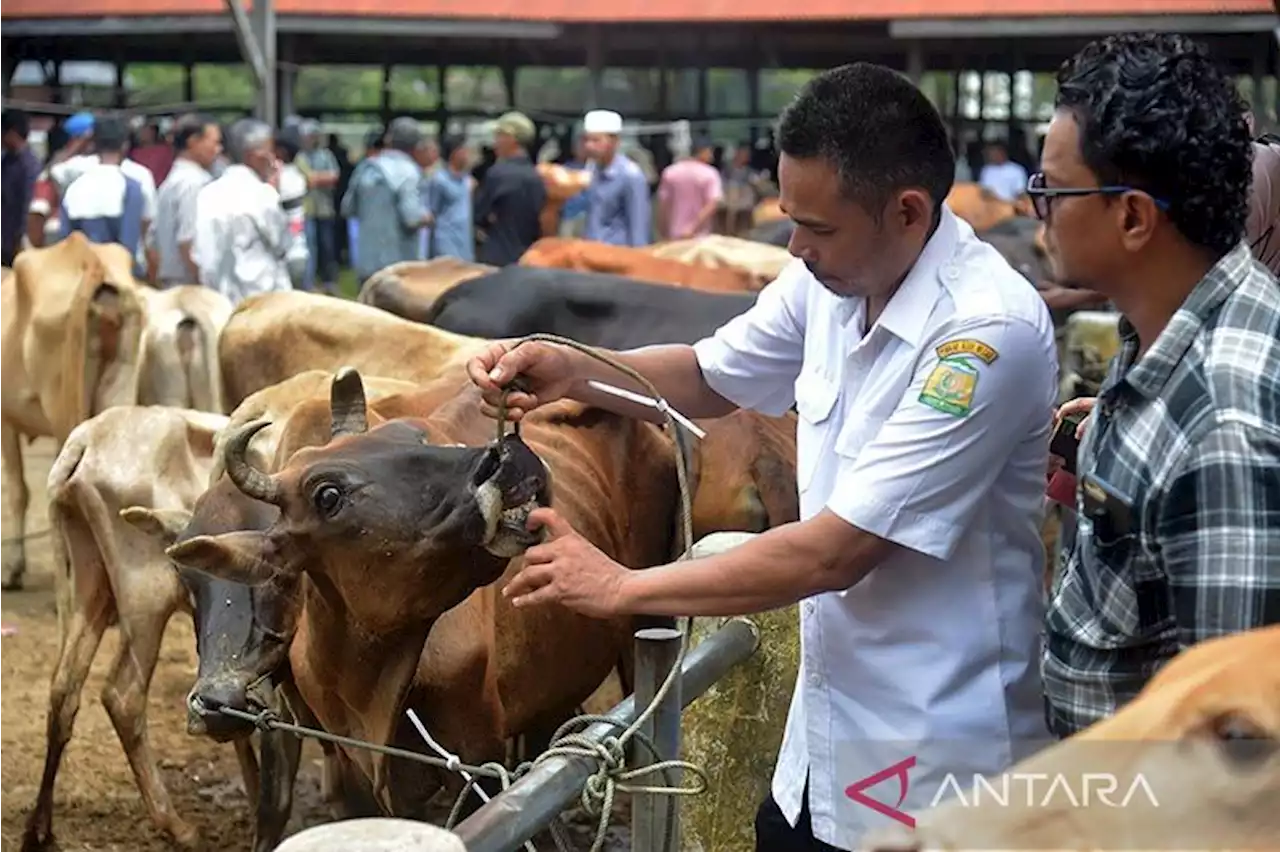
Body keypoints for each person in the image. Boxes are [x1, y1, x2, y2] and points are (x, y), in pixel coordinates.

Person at [467, 63, 1057, 851]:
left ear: (908, 212)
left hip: (935, 761)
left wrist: (624, 586)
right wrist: (577, 370)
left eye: (817, 227)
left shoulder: (985, 336)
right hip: (820, 744)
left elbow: (837, 551)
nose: (795, 246)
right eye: (791, 218)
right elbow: (712, 375)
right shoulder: (830, 280)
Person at [1033, 33, 1280, 739]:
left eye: (1052, 188)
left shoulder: (1225, 432)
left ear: (1134, 217)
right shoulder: (1167, 328)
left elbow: (1232, 760)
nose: (1039, 210)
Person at [193, 118, 292, 306]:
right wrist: (274, 190)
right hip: (262, 301)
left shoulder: (207, 193)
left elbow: (200, 253)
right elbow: (283, 244)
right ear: (254, 156)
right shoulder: (262, 194)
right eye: (270, 152)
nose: (274, 160)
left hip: (218, 302)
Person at [341, 116, 433, 284]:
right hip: (399, 269)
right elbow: (411, 218)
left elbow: (348, 208)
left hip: (367, 264)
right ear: (415, 147)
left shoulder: (366, 167)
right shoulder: (410, 172)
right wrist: (427, 217)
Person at [58, 116, 148, 263]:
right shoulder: (131, 187)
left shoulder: (74, 187)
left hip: (80, 275)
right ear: (125, 146)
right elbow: (128, 247)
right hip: (117, 276)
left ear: (93, 144)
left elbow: (65, 242)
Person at [148, 114, 221, 286]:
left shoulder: (170, 181)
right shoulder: (194, 183)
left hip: (169, 286)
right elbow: (188, 241)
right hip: (190, 286)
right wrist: (206, 283)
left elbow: (151, 243)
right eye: (214, 142)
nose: (218, 150)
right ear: (193, 142)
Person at [473, 111, 545, 265]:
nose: (495, 142)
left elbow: (479, 215)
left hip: (498, 258)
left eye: (499, 136)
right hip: (529, 258)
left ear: (511, 139)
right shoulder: (537, 176)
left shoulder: (498, 174)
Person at [581, 109, 650, 247]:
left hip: (616, 257)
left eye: (596, 140)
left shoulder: (631, 176)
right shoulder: (590, 171)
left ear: (615, 141)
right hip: (589, 254)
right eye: (586, 140)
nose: (589, 146)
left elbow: (638, 227)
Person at [295, 119, 341, 294]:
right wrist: (318, 178)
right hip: (306, 210)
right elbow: (304, 179)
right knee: (309, 245)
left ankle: (330, 281)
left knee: (328, 246)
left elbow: (334, 176)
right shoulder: (299, 157)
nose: (310, 139)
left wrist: (315, 178)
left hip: (324, 209)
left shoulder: (326, 155)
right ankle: (308, 282)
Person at [656, 136, 723, 240]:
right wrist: (692, 227)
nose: (712, 156)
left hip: (674, 235)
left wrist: (662, 230)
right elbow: (712, 204)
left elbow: (664, 204)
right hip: (700, 237)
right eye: (710, 152)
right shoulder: (710, 174)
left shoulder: (670, 172)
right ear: (704, 151)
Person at [0, 109, 41, 266]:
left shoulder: (29, 167)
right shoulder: (5, 161)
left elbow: (26, 205)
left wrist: (20, 239)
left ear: (12, 133)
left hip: (15, 243)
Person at [427, 134, 475, 261]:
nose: (467, 154)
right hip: (445, 243)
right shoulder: (438, 180)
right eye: (463, 150)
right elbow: (432, 212)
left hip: (465, 244)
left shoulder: (468, 181)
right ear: (454, 153)